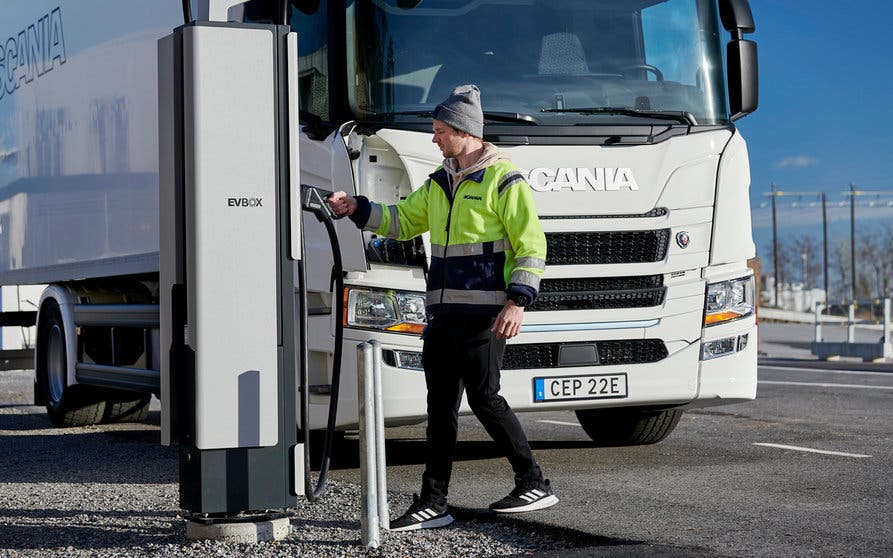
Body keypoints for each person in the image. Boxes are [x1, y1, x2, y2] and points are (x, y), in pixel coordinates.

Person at [328, 84, 557, 531]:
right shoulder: (438, 183)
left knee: (485, 399)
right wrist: (357, 208)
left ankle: (534, 482)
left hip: (486, 315)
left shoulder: (504, 181)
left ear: (464, 132)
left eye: (439, 131)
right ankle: (433, 503)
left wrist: (517, 301)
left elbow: (532, 245)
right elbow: (400, 221)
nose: (433, 139)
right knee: (439, 410)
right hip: (443, 318)